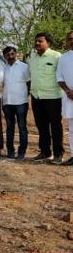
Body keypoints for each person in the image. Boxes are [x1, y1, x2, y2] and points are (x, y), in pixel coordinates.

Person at [29, 32, 63, 163]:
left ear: (48, 43)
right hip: (36, 97)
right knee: (41, 126)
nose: (37, 43)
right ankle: (44, 152)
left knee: (55, 126)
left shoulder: (57, 56)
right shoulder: (33, 58)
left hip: (52, 97)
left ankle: (58, 154)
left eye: (40, 41)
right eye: (36, 41)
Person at [2, 46, 30, 160]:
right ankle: (10, 151)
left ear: (16, 54)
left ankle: (22, 152)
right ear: (5, 56)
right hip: (7, 102)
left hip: (21, 102)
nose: (11, 56)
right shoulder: (3, 68)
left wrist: (24, 95)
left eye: (13, 54)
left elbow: (29, 83)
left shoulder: (24, 67)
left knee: (22, 127)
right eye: (8, 55)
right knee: (9, 128)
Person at [57, 31, 73, 166]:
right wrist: (68, 90)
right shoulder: (63, 58)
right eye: (69, 39)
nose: (71, 41)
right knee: (72, 129)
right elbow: (59, 77)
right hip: (69, 98)